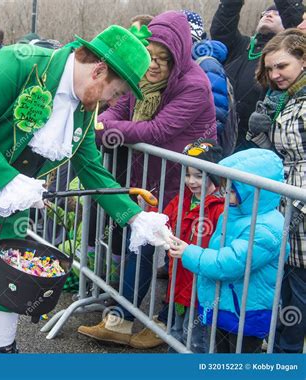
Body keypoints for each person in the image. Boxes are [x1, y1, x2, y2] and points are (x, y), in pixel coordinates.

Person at [0, 25, 173, 354]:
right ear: (98, 71)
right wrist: (8, 181)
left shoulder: (83, 107)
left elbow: (92, 168)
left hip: (6, 209)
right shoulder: (12, 64)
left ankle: (3, 354)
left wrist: (136, 218)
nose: (114, 101)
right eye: (117, 92)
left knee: (7, 285)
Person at [78, 11, 217, 349]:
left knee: (178, 253)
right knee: (141, 245)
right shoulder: (141, 78)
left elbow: (157, 131)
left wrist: (104, 129)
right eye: (149, 56)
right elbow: (118, 110)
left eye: (162, 59)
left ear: (179, 56)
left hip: (189, 183)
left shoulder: (195, 85)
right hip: (153, 179)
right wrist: (103, 123)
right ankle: (125, 318)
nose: (152, 65)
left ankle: (167, 324)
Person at [169, 148, 289, 353]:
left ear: (253, 191)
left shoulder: (266, 229)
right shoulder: (233, 213)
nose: (225, 194)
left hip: (246, 313)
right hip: (224, 306)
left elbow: (228, 264)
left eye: (232, 190)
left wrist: (189, 253)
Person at [246, 29, 305, 353]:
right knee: (281, 294)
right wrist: (261, 136)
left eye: (282, 66)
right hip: (283, 208)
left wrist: (300, 207)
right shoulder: (281, 99)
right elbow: (280, 155)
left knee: (298, 300)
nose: (275, 74)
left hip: (301, 213)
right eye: (270, 69)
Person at [210, 0, 304, 151]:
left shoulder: (293, 53)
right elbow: (222, 29)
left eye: (276, 13)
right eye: (265, 13)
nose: (269, 14)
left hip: (257, 145)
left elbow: (297, 25)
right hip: (223, 136)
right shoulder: (241, 45)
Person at [164, 140, 224, 353]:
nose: (191, 181)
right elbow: (166, 219)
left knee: (197, 341)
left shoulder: (219, 209)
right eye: (188, 174)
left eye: (199, 176)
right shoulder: (183, 199)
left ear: (214, 175)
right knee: (176, 332)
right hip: (180, 279)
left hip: (201, 288)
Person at [183, 10, 237, 157]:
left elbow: (217, 114)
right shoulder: (186, 63)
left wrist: (196, 148)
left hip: (202, 151)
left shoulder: (206, 64)